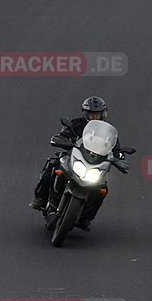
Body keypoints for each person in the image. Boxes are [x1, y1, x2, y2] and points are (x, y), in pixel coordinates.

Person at [29, 96, 123, 230]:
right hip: (73, 158)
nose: (94, 117)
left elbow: (116, 149)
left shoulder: (107, 133)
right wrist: (62, 139)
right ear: (85, 114)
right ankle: (41, 198)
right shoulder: (77, 124)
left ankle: (86, 218)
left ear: (103, 114)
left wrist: (120, 157)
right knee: (53, 164)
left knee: (102, 190)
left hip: (94, 165)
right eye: (91, 114)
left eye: (97, 114)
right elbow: (65, 133)